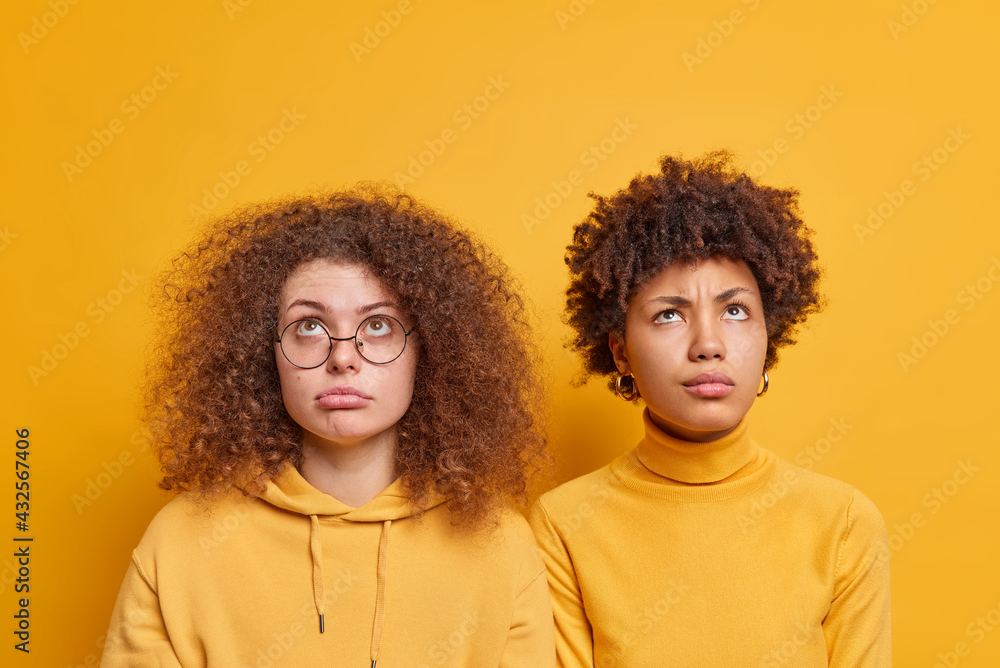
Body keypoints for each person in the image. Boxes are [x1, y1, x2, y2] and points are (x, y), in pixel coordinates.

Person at [101, 186, 556, 668]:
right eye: (309, 326)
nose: (343, 358)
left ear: (429, 351)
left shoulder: (501, 543)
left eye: (378, 325)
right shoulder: (180, 541)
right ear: (263, 352)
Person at [528, 152, 891, 667]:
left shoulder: (843, 523)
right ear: (620, 352)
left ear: (769, 335)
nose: (709, 345)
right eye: (669, 315)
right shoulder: (563, 525)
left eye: (735, 311)